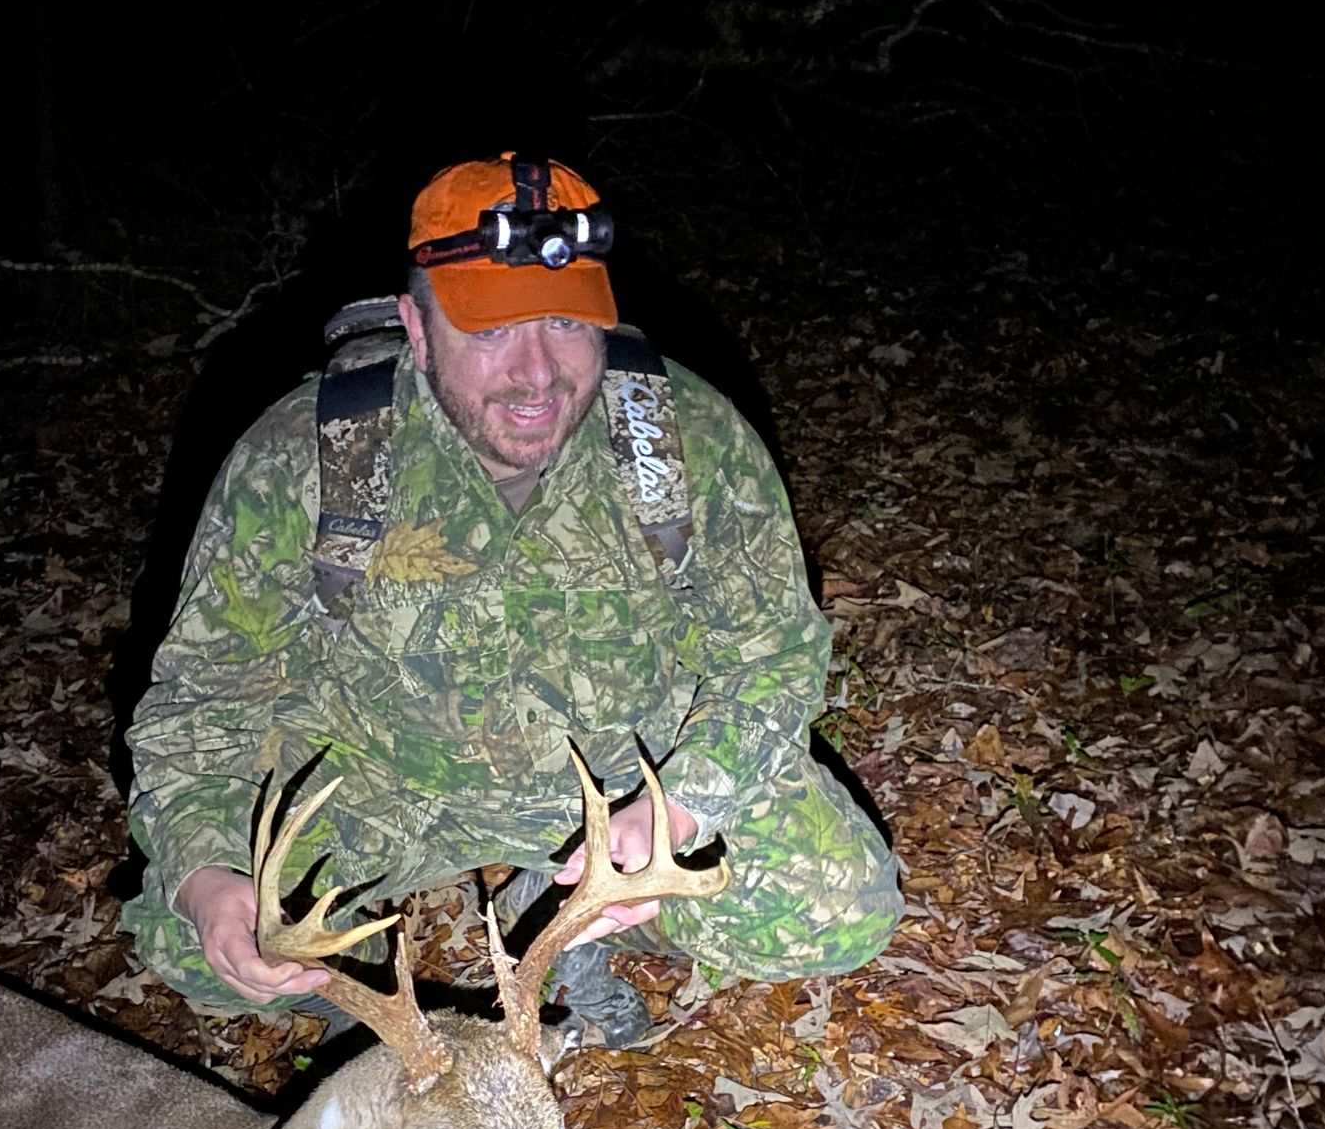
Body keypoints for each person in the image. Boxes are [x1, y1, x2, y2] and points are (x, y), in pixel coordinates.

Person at [123, 153, 901, 1042]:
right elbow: (201, 700)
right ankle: (357, 1002)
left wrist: (678, 804)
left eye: (569, 325)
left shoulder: (680, 440)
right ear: (417, 328)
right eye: (490, 332)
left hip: (621, 775)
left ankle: (566, 916)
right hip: (378, 784)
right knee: (199, 945)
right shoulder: (306, 458)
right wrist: (206, 873)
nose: (538, 374)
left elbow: (773, 654)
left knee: (840, 909)